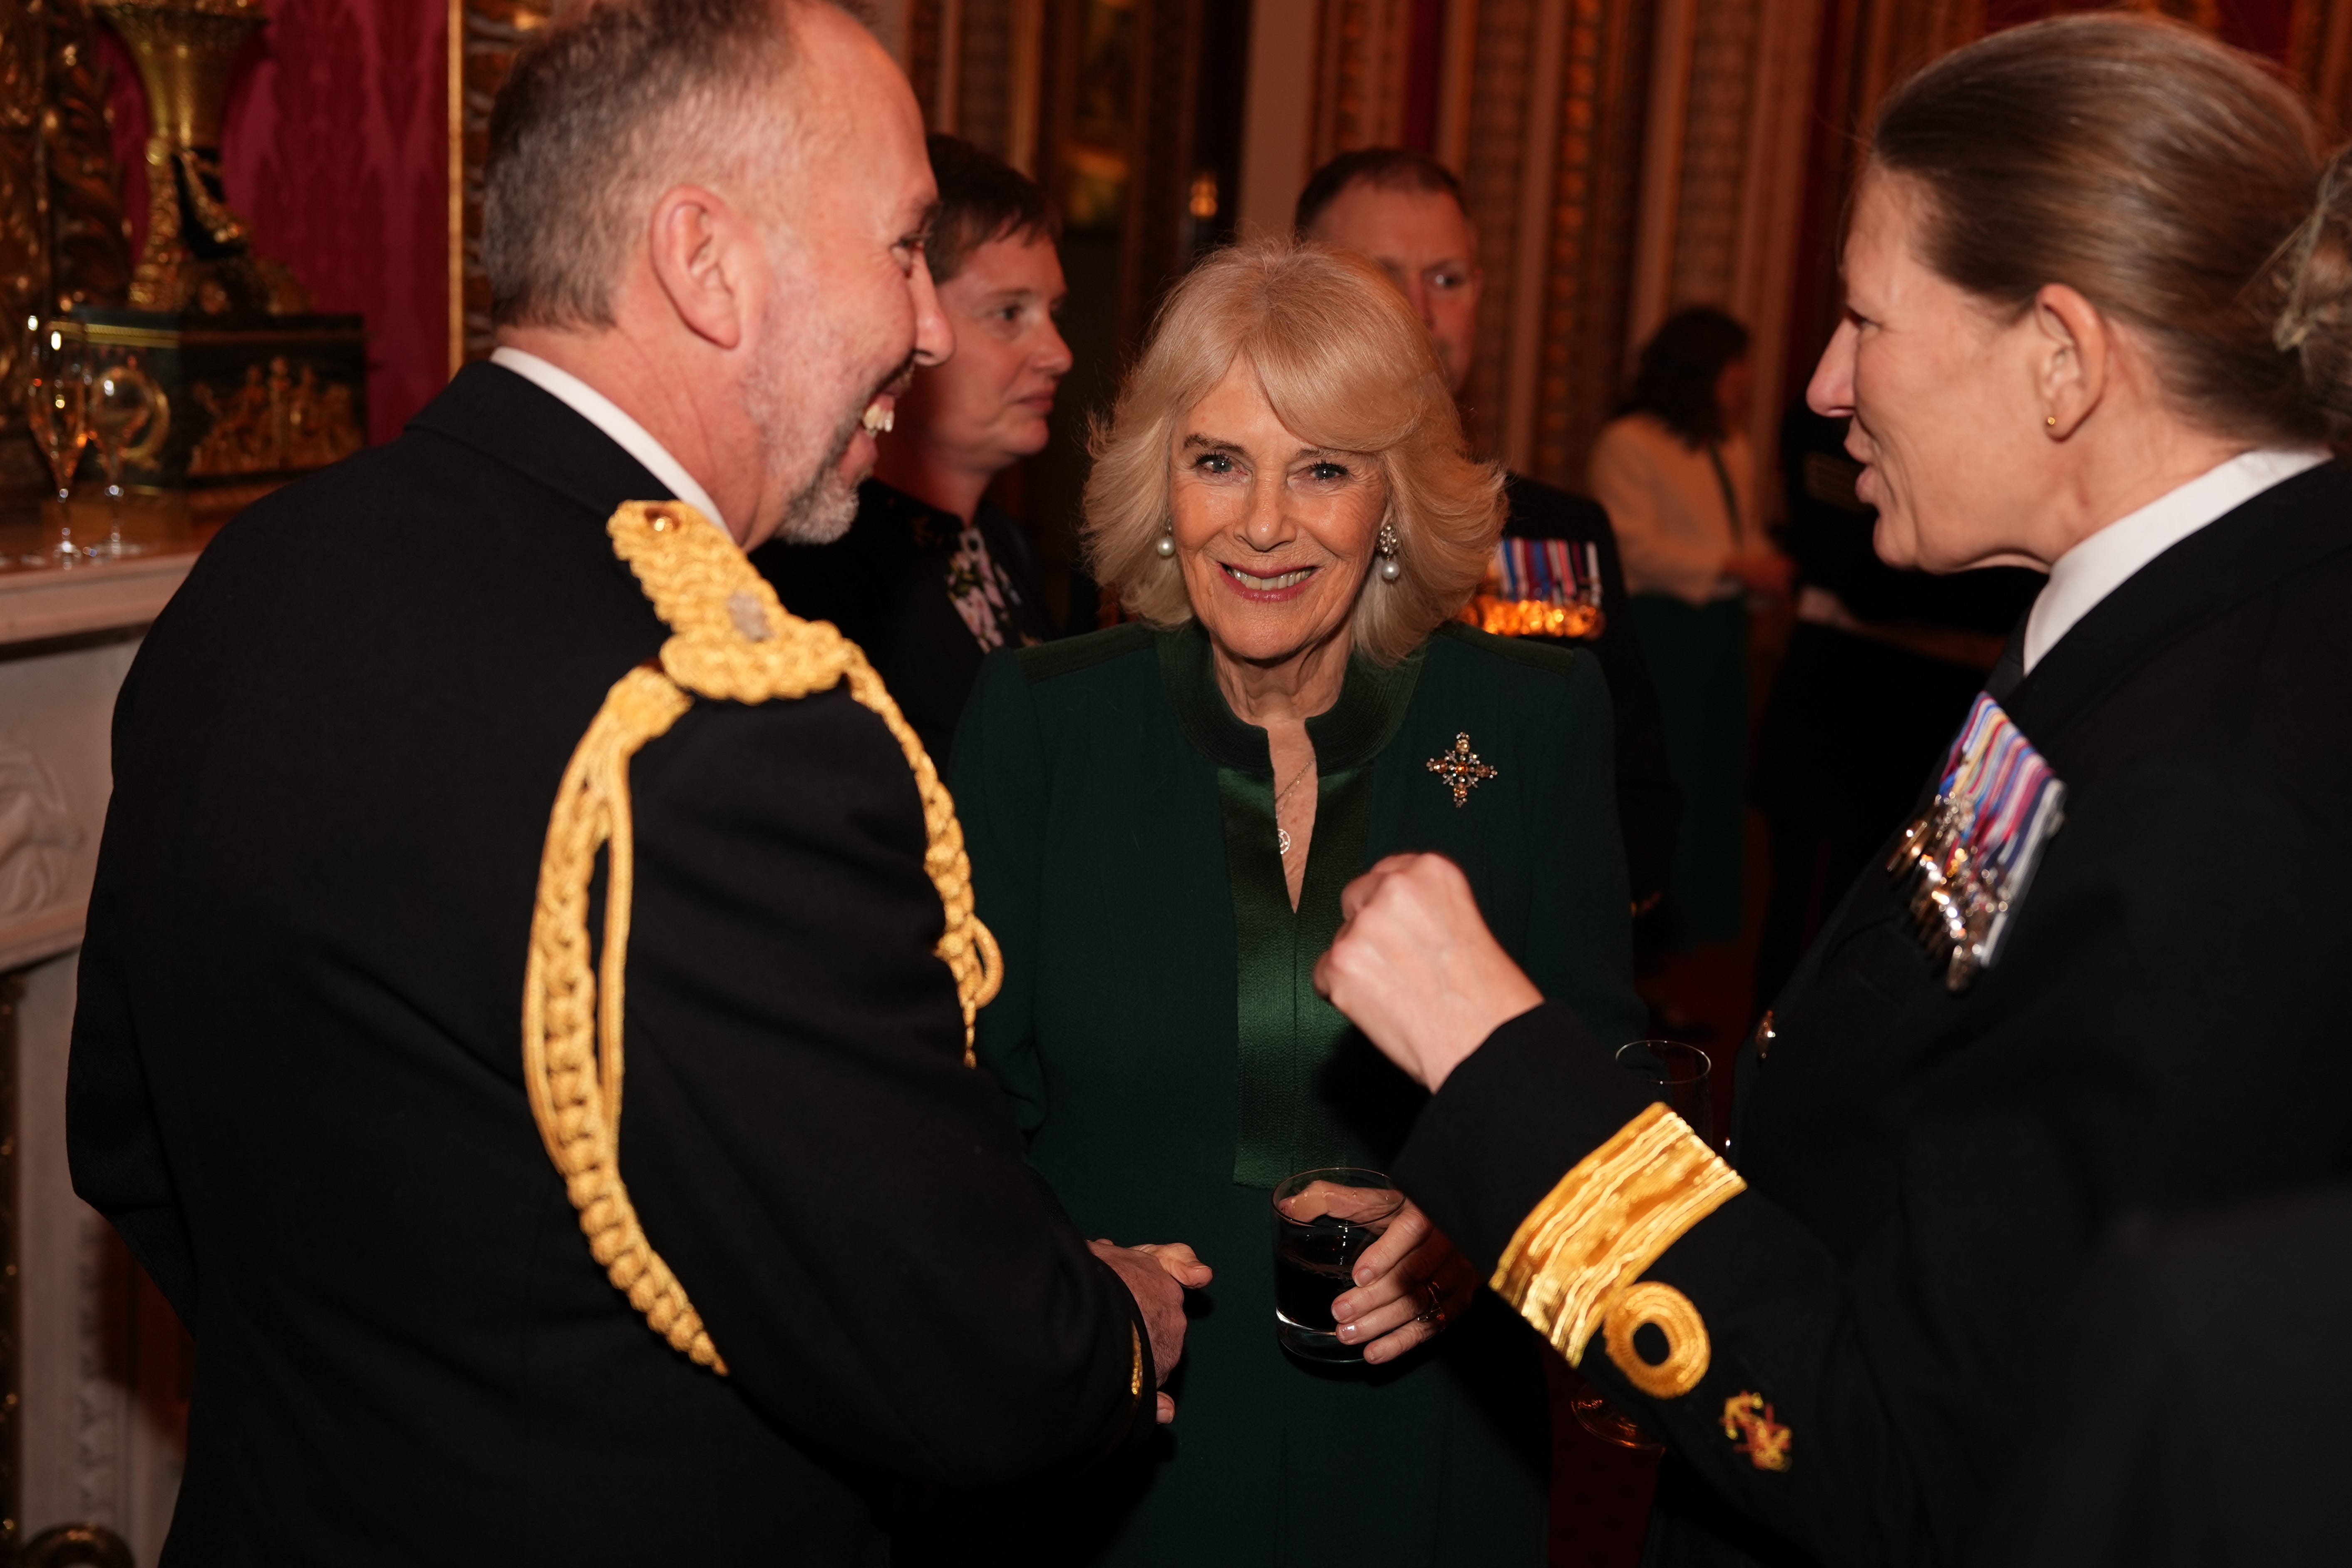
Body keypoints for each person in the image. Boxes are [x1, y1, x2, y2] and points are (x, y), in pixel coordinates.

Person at [64, 3, 1201, 1561]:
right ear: (704, 260)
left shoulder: (257, 570)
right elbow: (954, 1349)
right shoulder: (721, 719)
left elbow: (132, 1147)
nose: (930, 328)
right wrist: (1115, 1324)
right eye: (901, 248)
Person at [1314, 15, 2352, 1566]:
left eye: (1865, 318)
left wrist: (1495, 1063)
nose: (1820, 384)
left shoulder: (2210, 807)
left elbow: (1917, 1457)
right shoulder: (2177, 620)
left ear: (2062, 357)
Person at [949, 236, 1645, 1563]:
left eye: (1322, 469)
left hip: (1432, 1437)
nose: (1262, 523)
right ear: (1161, 482)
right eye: (1217, 461)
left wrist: (1485, 1226)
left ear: (1393, 500)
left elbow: (1603, 1083)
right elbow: (952, 1103)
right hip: (1122, 1425)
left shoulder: (1532, 719)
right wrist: (1067, 1278)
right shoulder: (1042, 725)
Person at [1298, 149, 1681, 914]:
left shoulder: (1561, 535)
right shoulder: (1238, 531)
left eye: (1447, 279)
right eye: (1380, 275)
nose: (1421, 312)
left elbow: (1638, 813)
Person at [754, 132, 1066, 763]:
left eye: (1054, 313)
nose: (1059, 354)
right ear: (909, 316)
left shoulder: (1007, 546)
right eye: (1009, 314)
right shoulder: (819, 566)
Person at [1749, 402, 2040, 1002]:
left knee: (1908, 939)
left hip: (1945, 716)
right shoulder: (1834, 411)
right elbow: (1860, 578)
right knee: (1813, 937)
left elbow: (2018, 593)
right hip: (1843, 706)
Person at [1588, 309, 1789, 948]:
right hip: (1662, 629)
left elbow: (1740, 532)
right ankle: (1649, 926)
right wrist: (1734, 565)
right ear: (1701, 368)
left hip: (1720, 633)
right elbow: (1630, 546)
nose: (1746, 378)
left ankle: (1698, 921)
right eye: (1736, 364)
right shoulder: (1630, 442)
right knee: (1664, 771)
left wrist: (1765, 566)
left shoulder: (1731, 445)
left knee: (1715, 776)